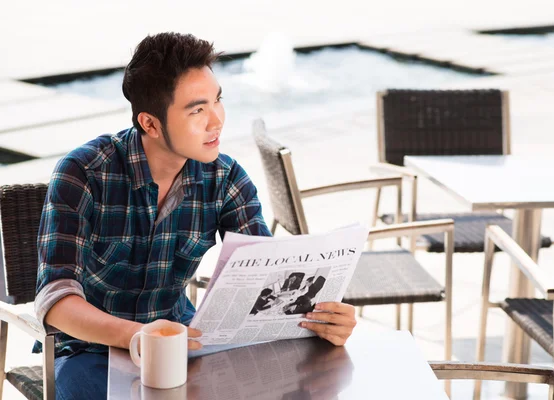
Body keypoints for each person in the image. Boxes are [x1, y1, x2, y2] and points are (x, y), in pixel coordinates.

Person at [33, 32, 357, 400]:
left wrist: (324, 320)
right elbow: (56, 299)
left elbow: (268, 278)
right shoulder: (83, 173)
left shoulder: (226, 179)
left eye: (217, 101)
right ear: (151, 124)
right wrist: (138, 336)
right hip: (91, 351)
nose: (216, 121)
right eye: (197, 110)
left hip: (183, 345)